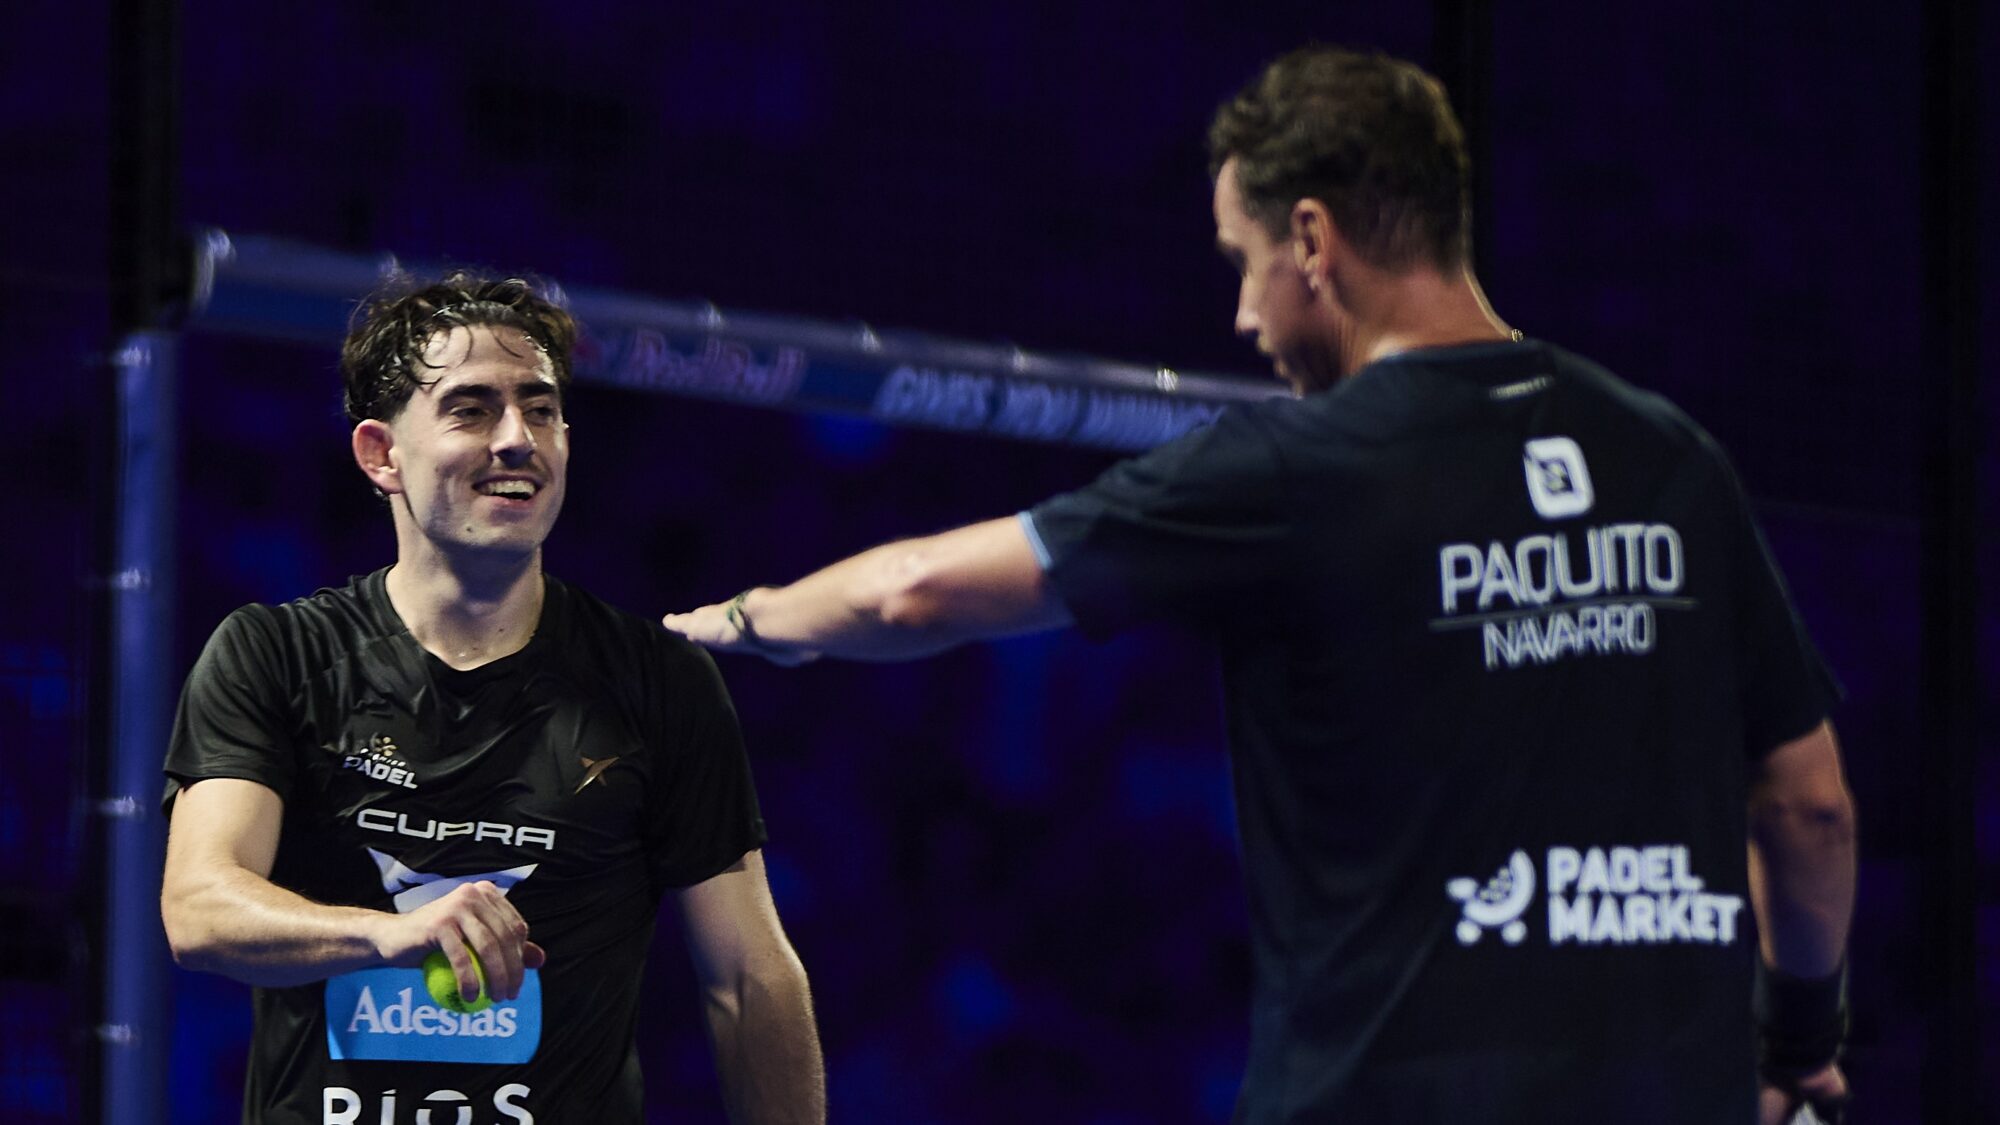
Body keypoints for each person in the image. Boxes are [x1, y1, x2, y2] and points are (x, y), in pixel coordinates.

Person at [663, 45, 1856, 1125]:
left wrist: (735, 624)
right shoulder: (1670, 457)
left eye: (1242, 263)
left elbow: (913, 591)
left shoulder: (1294, 467)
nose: (1241, 314)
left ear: (1312, 241)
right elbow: (1808, 809)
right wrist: (1800, 1042)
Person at [161, 271, 825, 1124]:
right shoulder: (274, 654)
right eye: (471, 410)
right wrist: (390, 932)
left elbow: (749, 975)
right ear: (381, 454)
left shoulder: (660, 678)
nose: (518, 439)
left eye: (540, 410)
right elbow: (199, 907)